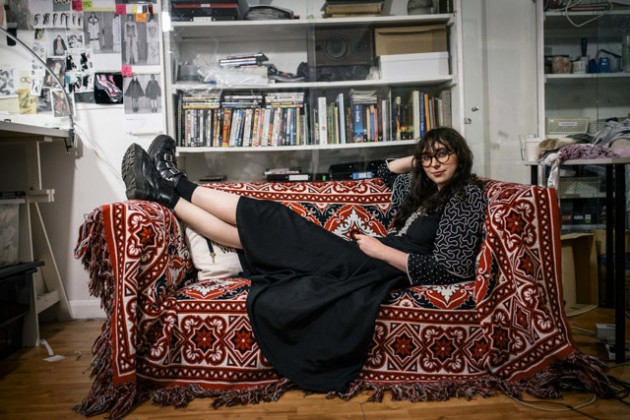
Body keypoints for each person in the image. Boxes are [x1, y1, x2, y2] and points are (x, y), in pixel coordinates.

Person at [120, 127, 487, 394]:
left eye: (443, 154)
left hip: (379, 265)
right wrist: (418, 159)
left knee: (273, 218)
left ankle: (174, 182)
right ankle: (162, 195)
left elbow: (451, 269)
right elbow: (380, 172)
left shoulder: (466, 195)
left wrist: (381, 251)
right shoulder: (423, 188)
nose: (435, 163)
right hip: (367, 256)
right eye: (429, 157)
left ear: (461, 155)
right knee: (254, 242)